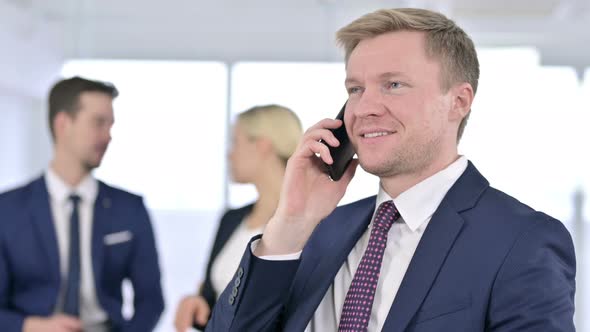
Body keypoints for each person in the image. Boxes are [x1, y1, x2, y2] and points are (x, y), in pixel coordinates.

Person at [205, 8, 576, 332]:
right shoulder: (320, 231)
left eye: (393, 84)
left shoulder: (522, 240)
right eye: (355, 89)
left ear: (458, 101)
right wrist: (289, 226)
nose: (365, 107)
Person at [0, 76, 164, 332]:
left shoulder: (130, 208)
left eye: (110, 125)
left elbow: (151, 300)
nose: (108, 136)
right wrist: (30, 326)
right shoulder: (7, 211)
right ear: (63, 124)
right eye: (98, 123)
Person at [173, 105, 303, 331]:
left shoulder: (307, 224)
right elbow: (212, 299)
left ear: (263, 146)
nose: (229, 153)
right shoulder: (232, 219)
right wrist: (197, 303)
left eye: (236, 142)